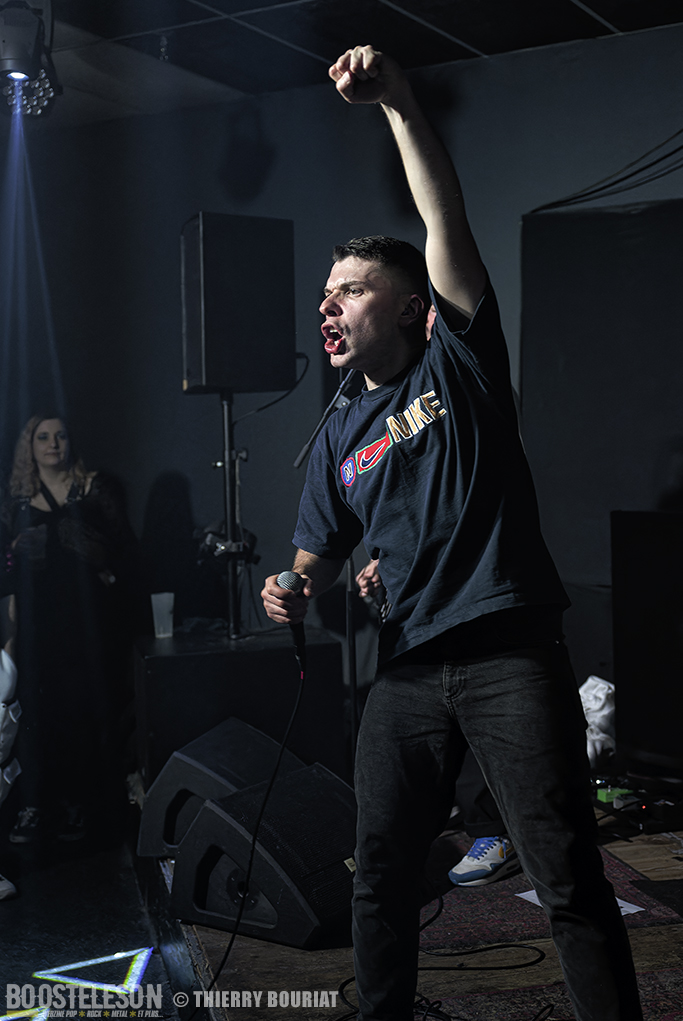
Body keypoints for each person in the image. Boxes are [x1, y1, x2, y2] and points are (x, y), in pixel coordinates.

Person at [262, 45, 642, 1021]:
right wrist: (292, 583)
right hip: (404, 672)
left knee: (564, 874)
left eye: (349, 289)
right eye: (325, 293)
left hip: (506, 652)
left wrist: (396, 101)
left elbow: (442, 221)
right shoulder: (338, 430)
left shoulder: (456, 364)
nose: (328, 303)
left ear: (410, 307)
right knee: (380, 870)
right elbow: (316, 549)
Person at [1, 413, 145, 843]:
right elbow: (6, 572)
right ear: (29, 447)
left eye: (60, 435)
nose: (53, 444)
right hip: (37, 620)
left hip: (89, 619)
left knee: (85, 709)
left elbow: (126, 554)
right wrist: (15, 551)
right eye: (43, 437)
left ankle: (83, 804)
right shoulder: (17, 501)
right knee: (35, 710)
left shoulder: (95, 488)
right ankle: (37, 804)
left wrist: (86, 546)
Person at [356, 558, 518, 888]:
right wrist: (381, 560)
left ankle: (495, 832)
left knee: (472, 715)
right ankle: (458, 810)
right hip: (415, 623)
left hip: (469, 607)